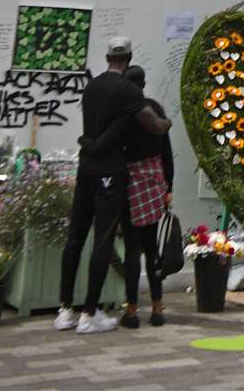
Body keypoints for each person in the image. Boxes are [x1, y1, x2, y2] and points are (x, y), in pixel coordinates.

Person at [54, 35, 171, 335]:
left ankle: (65, 309)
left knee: (75, 237)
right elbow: (155, 126)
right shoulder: (128, 91)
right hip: (110, 172)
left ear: (107, 58)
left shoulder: (92, 87)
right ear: (129, 57)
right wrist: (167, 123)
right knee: (103, 240)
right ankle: (89, 314)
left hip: (85, 168)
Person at [112, 65, 173, 328]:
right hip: (155, 181)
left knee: (132, 250)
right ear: (144, 84)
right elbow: (167, 152)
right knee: (152, 249)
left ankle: (132, 311)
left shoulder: (125, 113)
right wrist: (168, 186)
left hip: (131, 183)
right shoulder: (156, 110)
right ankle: (158, 308)